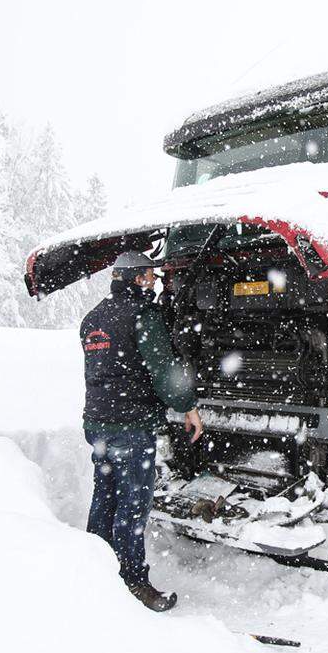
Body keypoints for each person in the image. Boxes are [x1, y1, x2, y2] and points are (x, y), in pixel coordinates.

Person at [81, 251, 203, 611]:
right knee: (133, 506)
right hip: (130, 425)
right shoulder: (143, 316)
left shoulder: (93, 319)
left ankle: (92, 572)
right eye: (149, 275)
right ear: (136, 279)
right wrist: (187, 406)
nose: (154, 281)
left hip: (97, 422)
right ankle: (134, 583)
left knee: (105, 499)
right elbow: (163, 371)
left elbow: (106, 371)